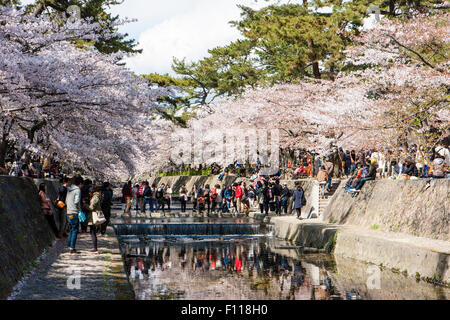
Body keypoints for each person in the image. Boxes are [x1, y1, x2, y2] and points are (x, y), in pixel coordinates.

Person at [65, 175, 83, 254]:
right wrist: (79, 209)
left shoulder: (69, 189)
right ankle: (72, 248)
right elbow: (76, 201)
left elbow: (66, 201)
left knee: (71, 230)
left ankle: (69, 247)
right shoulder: (77, 190)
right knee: (75, 230)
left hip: (68, 212)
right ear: (80, 183)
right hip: (74, 212)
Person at [87, 186, 102, 254]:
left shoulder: (95, 198)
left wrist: (85, 205)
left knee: (93, 232)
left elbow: (91, 208)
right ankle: (95, 248)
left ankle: (95, 248)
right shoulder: (97, 197)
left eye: (89, 192)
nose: (89, 194)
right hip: (94, 216)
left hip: (93, 217)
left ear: (91, 192)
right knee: (93, 232)